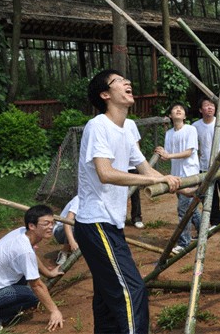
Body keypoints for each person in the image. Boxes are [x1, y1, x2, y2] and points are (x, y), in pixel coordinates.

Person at [75, 69, 181, 334]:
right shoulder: (98, 125)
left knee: (107, 299)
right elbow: (105, 173)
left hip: (110, 224)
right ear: (105, 94)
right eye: (119, 81)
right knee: (131, 292)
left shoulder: (127, 128)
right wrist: (154, 181)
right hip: (95, 223)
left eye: (126, 80)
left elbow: (145, 169)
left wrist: (177, 186)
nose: (127, 83)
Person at [0, 205, 64, 331]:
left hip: (1, 281)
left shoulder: (22, 232)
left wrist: (48, 273)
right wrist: (54, 311)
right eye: (46, 224)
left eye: (52, 223)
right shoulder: (24, 250)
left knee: (25, 282)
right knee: (32, 295)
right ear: (32, 226)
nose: (51, 227)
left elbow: (31, 256)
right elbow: (37, 286)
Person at [155, 101, 201, 255]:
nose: (179, 110)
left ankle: (184, 242)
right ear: (170, 115)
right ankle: (202, 233)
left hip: (190, 174)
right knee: (191, 208)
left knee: (183, 210)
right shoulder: (169, 134)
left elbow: (188, 152)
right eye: (175, 109)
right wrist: (162, 153)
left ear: (185, 115)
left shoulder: (191, 129)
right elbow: (167, 155)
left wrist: (169, 155)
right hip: (176, 174)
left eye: (181, 109)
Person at [192, 96, 220, 226]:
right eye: (206, 105)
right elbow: (196, 148)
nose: (210, 107)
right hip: (205, 166)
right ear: (200, 109)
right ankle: (215, 221)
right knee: (211, 197)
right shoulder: (195, 126)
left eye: (212, 105)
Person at [125, 118, 145, 229]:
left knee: (135, 193)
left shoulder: (130, 123)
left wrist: (138, 162)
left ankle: (137, 217)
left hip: (132, 165)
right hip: (118, 167)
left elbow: (136, 143)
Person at [52, 195, 80, 266]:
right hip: (60, 230)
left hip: (76, 227)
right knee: (75, 227)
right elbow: (66, 223)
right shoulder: (79, 199)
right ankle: (64, 252)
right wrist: (72, 242)